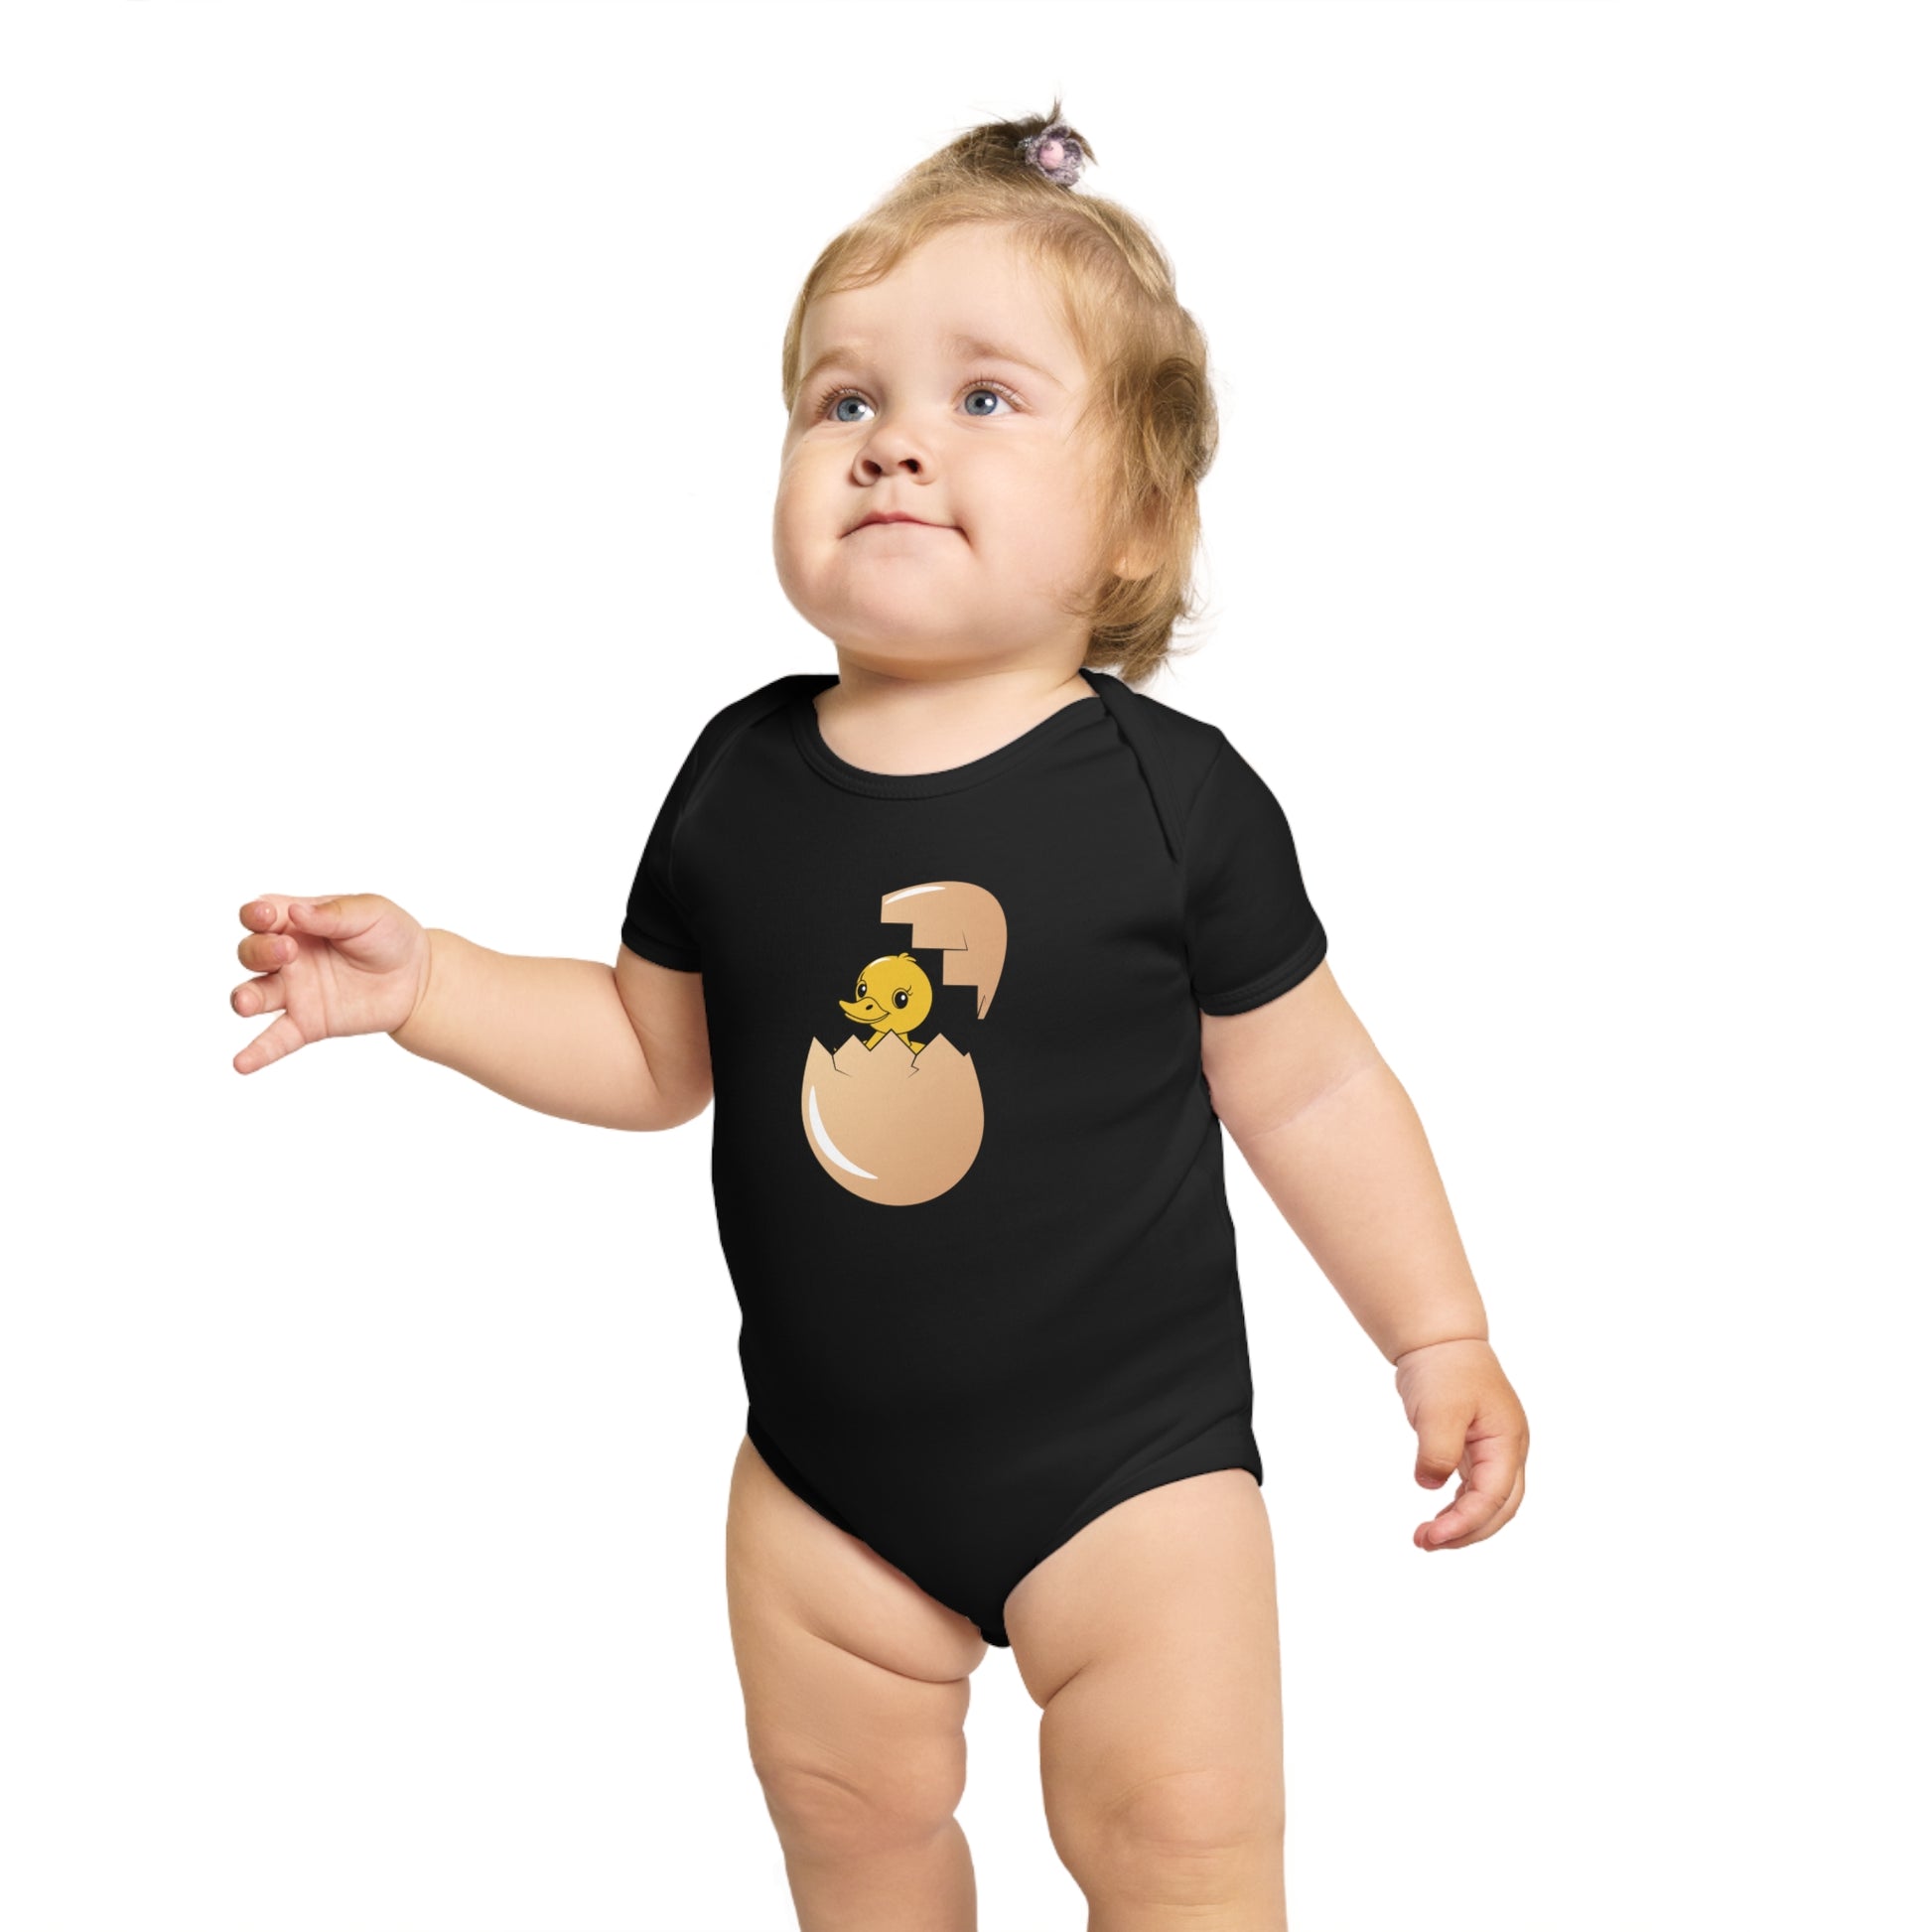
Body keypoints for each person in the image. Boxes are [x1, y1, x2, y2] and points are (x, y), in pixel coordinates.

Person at [232, 100, 1529, 1932]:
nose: (893, 439)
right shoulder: (738, 780)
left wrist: (1435, 1331)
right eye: (842, 400)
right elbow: (650, 1051)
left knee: (1182, 1850)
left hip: (1134, 1482)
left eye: (983, 397)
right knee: (853, 1846)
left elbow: (1310, 1090)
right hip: (822, 1491)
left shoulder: (1176, 801)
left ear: (1137, 521)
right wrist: (432, 981)